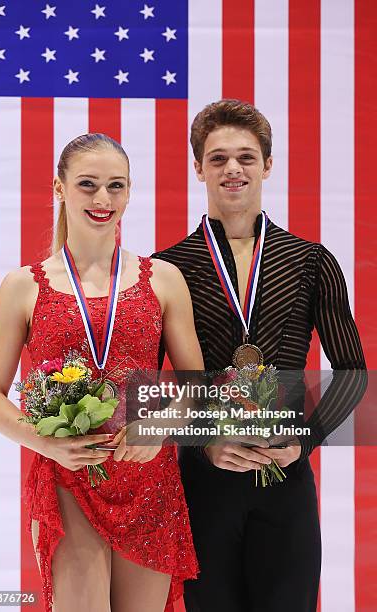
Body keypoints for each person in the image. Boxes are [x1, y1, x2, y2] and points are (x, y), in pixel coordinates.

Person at [153, 99, 366, 612]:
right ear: (197, 166)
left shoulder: (312, 261)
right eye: (218, 157)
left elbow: (353, 374)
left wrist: (304, 441)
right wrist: (204, 441)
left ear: (267, 166)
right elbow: (151, 388)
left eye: (246, 157)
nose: (233, 169)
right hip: (204, 481)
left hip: (285, 477)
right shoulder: (166, 267)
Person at [0, 133, 204, 612]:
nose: (103, 199)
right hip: (68, 479)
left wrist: (162, 426)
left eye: (115, 186)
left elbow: (195, 385)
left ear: (129, 192)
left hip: (149, 479)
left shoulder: (162, 278)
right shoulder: (22, 285)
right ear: (59, 188)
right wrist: (45, 442)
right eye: (87, 184)